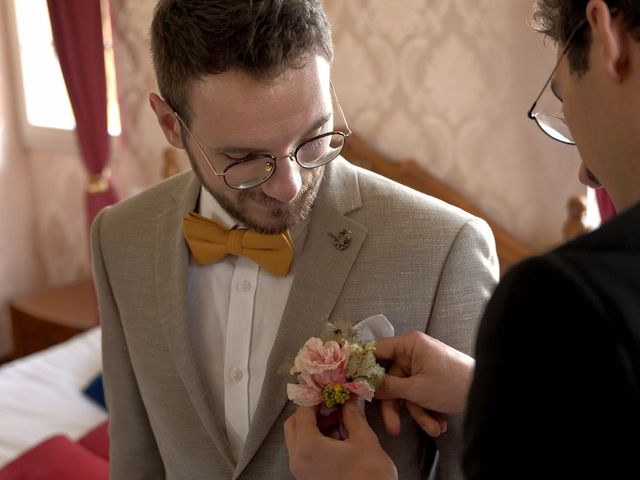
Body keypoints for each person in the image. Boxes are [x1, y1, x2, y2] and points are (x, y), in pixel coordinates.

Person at [90, 0, 498, 478]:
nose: (288, 185)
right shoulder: (119, 237)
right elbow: (135, 460)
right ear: (170, 124)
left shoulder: (444, 247)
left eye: (314, 134)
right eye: (244, 156)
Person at [284, 0, 640, 478]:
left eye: (565, 103)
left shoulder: (562, 301)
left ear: (607, 37)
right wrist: (495, 392)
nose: (585, 173)